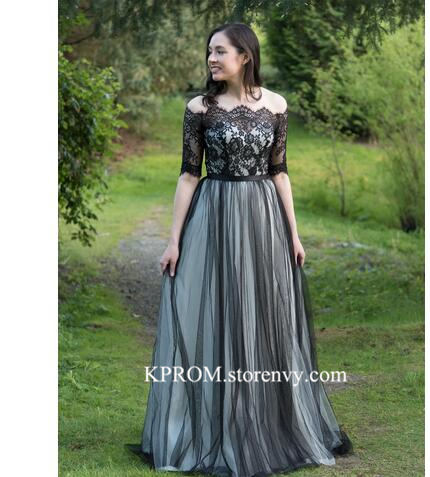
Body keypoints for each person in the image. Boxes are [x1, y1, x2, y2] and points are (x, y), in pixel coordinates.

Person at [135, 22, 353, 477]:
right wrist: (173, 240)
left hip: (263, 218)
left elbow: (280, 172)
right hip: (214, 216)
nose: (212, 59)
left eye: (220, 51)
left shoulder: (276, 105)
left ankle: (264, 420)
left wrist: (293, 234)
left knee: (262, 314)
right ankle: (219, 422)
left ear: (245, 56)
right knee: (218, 313)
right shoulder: (200, 108)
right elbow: (188, 175)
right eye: (209, 52)